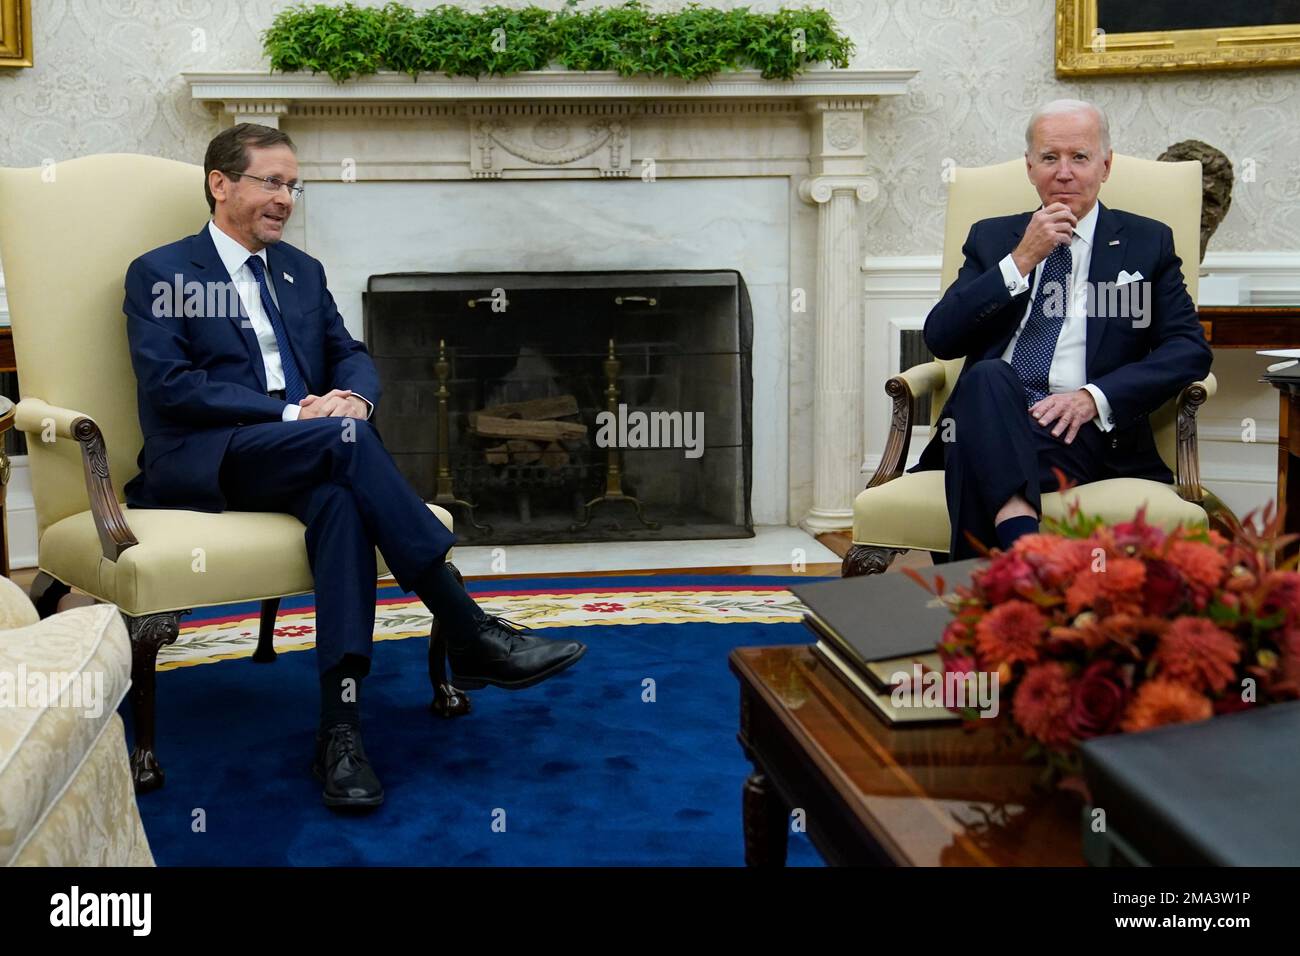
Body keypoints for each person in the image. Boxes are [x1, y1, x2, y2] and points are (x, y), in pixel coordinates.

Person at [123, 123, 586, 810]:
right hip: (209, 458)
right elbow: (172, 387)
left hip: (310, 453)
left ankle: (339, 732)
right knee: (339, 443)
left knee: (341, 501)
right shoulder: (163, 273)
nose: (286, 199)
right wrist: (292, 416)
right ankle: (467, 627)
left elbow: (351, 352)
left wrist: (355, 397)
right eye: (271, 183)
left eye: (292, 185)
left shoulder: (299, 272)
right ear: (221, 184)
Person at [912, 99, 1212, 559]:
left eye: (1080, 157)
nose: (1064, 172)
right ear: (1030, 167)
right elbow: (941, 337)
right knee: (989, 377)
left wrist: (1095, 397)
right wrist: (1021, 260)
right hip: (990, 410)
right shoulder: (993, 238)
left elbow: (1188, 349)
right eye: (1050, 158)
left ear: (1105, 165)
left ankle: (989, 589)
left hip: (1082, 432)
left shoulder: (1147, 242)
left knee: (977, 454)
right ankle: (1025, 556)